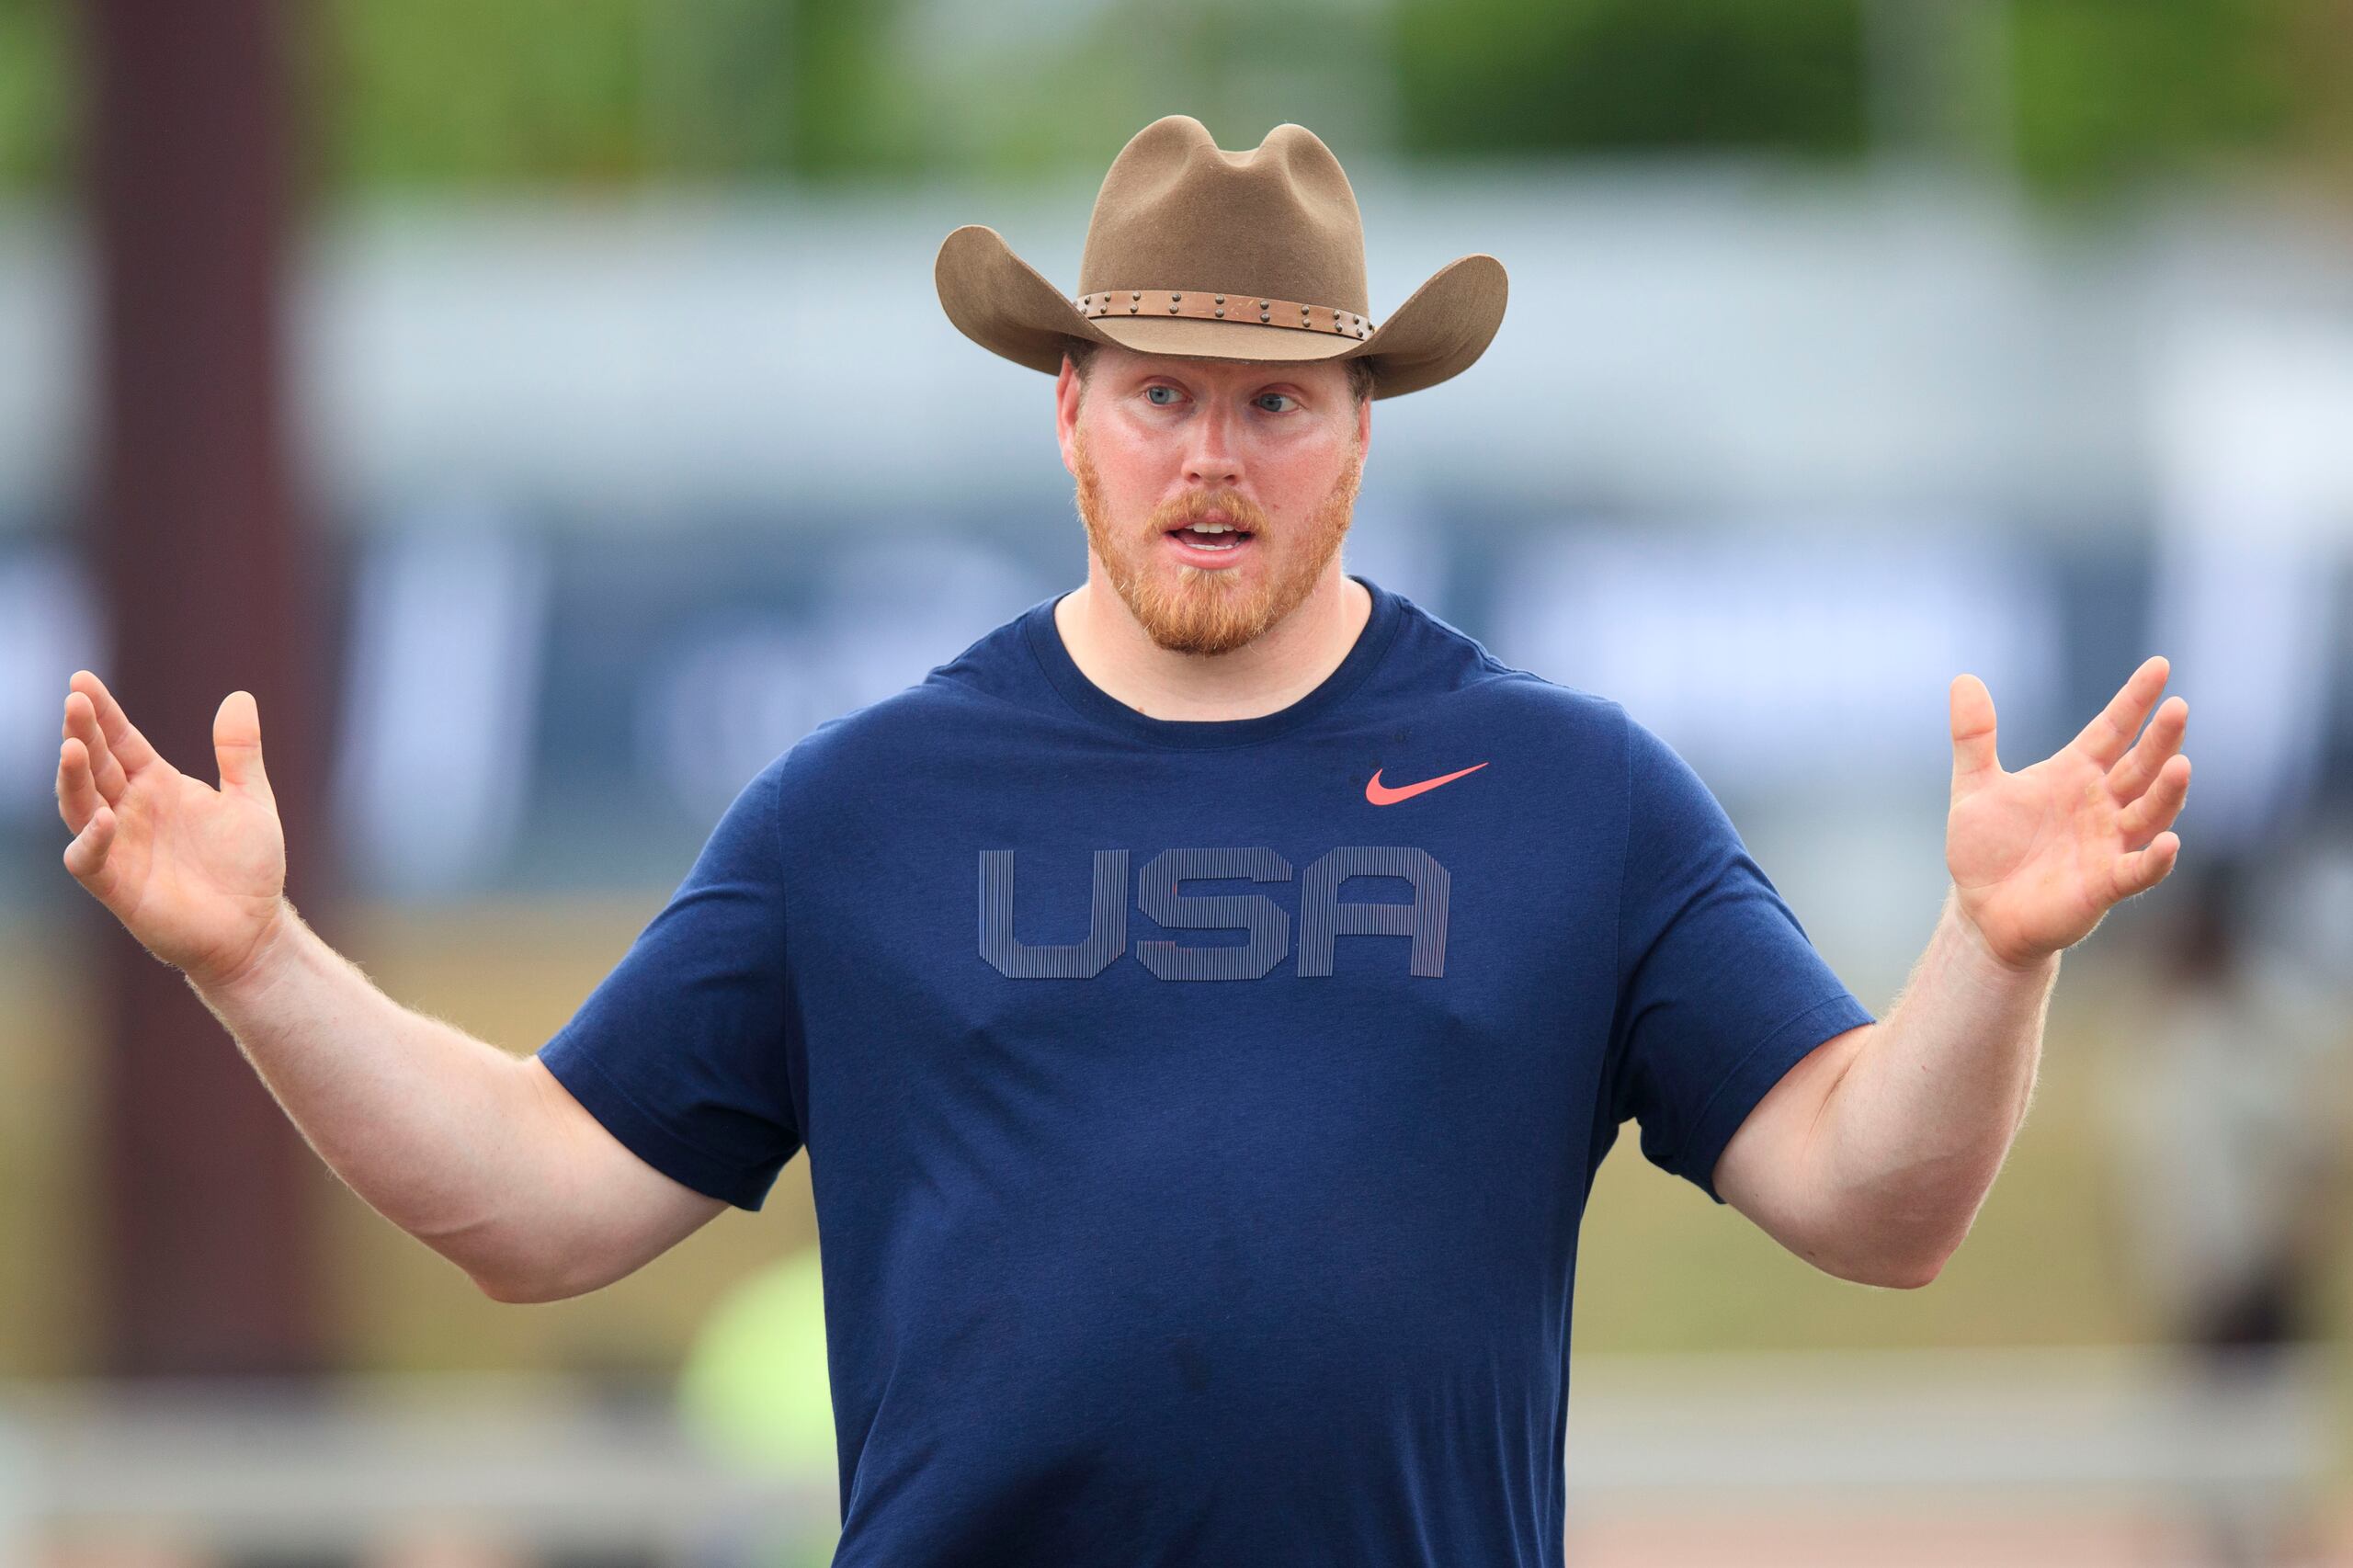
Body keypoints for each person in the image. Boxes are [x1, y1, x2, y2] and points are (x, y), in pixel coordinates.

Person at [54, 115, 2193, 1567]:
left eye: (1275, 403)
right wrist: (258, 960)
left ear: (1361, 434)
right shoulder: (862, 804)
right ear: (1062, 406)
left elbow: (1871, 1201)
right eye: (1158, 391)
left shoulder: (1574, 793)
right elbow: (536, 1198)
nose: (1212, 454)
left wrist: (1992, 956)